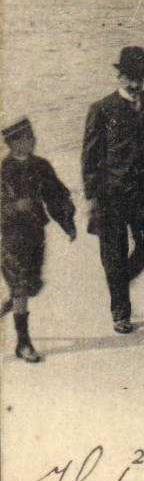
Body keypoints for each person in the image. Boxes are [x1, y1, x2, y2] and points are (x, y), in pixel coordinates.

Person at [82, 47, 144, 335]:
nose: (136, 84)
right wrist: (92, 196)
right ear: (120, 77)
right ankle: (120, 314)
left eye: (140, 78)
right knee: (114, 252)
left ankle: (119, 280)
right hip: (110, 196)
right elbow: (89, 158)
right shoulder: (101, 109)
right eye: (130, 78)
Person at [2, 118, 77, 362]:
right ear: (13, 143)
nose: (33, 140)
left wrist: (67, 223)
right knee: (21, 286)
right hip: (11, 236)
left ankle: (10, 303)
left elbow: (55, 196)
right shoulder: (4, 170)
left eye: (32, 136)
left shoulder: (41, 166)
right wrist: (14, 207)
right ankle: (23, 343)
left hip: (36, 233)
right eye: (27, 137)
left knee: (32, 286)